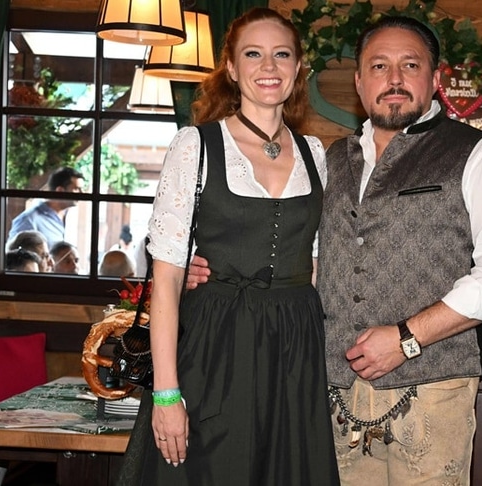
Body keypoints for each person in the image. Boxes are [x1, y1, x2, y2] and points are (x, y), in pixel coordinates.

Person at [188, 15, 482, 485]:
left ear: (435, 78)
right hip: (332, 396)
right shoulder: (327, 160)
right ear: (358, 82)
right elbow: (297, 253)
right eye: (378, 66)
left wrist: (407, 338)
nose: (394, 79)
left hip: (433, 394)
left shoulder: (480, 154)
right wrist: (211, 269)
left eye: (409, 65)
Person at [118, 8, 339, 486]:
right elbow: (167, 279)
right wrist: (166, 394)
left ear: (298, 67)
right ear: (232, 68)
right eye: (253, 54)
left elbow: (315, 263)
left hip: (294, 346)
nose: (269, 67)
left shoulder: (314, 153)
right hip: (216, 343)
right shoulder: (195, 146)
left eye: (282, 55)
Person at [8, 166, 84, 248]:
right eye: (77, 189)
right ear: (60, 190)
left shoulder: (71, 217)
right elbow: (14, 252)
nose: (82, 193)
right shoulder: (28, 219)